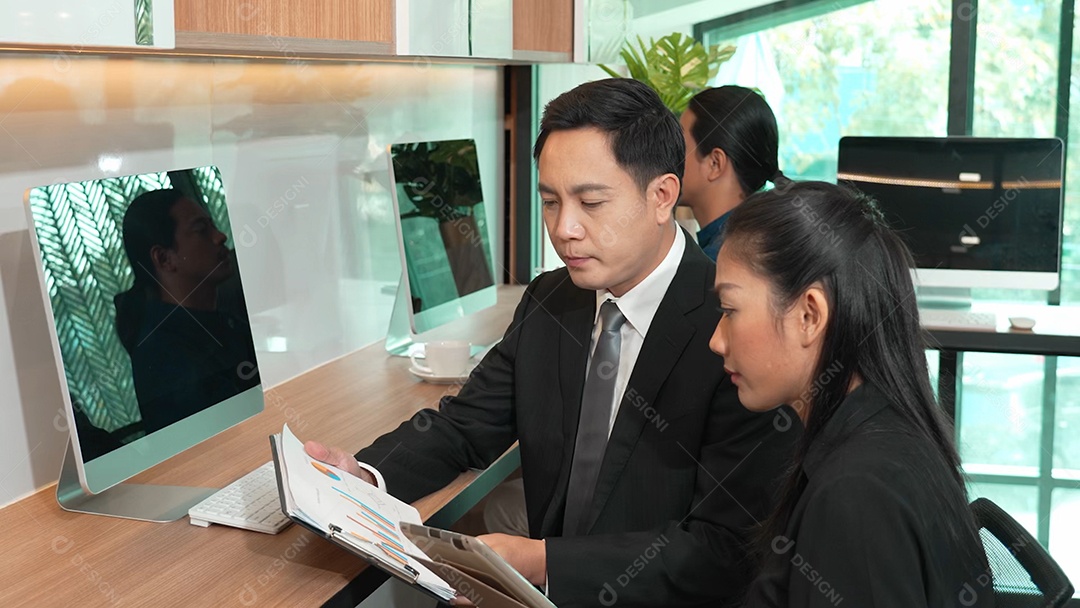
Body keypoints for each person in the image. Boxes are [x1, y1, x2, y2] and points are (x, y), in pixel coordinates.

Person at [306, 78, 794, 607]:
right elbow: (464, 425)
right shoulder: (551, 299)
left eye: (590, 202)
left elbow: (723, 549)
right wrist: (366, 477)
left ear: (662, 196)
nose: (564, 229)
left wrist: (543, 563)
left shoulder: (733, 326)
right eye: (550, 201)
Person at [709, 181, 991, 607]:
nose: (717, 340)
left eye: (730, 311)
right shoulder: (882, 434)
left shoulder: (856, 496)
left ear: (809, 314)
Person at [115, 188, 259, 434]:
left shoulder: (221, 321)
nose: (220, 237)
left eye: (213, 226)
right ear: (164, 259)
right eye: (201, 230)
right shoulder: (166, 356)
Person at [679, 85, 783, 260]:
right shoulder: (761, 240)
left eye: (679, 147)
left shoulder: (719, 264)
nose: (666, 157)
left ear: (714, 164)